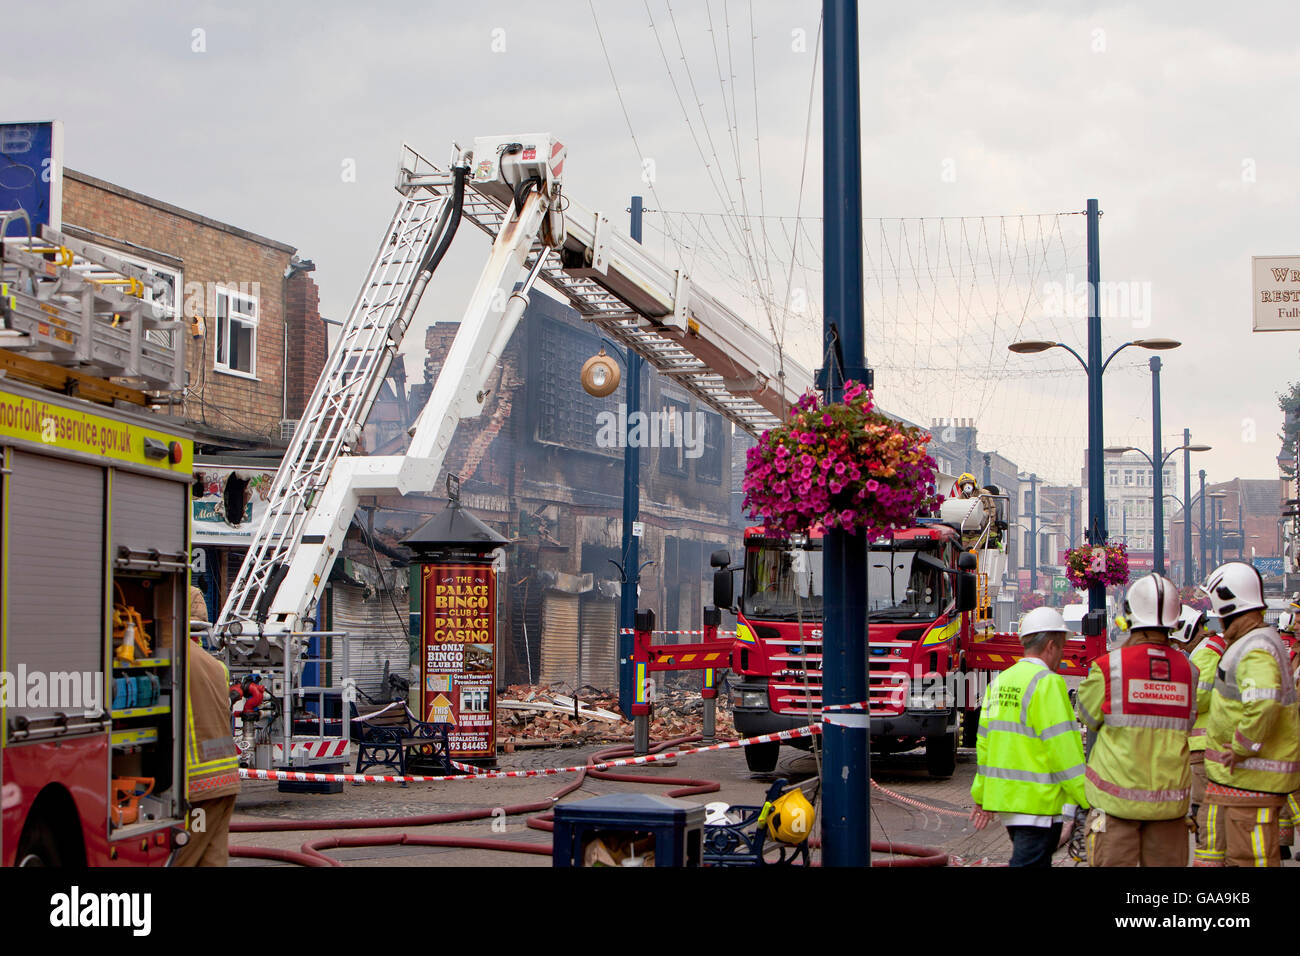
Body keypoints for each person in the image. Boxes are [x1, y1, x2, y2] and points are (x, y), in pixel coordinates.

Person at [1076, 574, 1196, 866]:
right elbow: (1188, 722)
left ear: (1128, 616)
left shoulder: (1108, 667)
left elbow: (1088, 717)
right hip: (1169, 811)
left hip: (1115, 810)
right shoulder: (1189, 671)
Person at [970, 606, 1088, 866]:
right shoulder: (1048, 683)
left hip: (1008, 806)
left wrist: (982, 796)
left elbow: (984, 745)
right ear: (1050, 646)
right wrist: (1087, 796)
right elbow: (1064, 750)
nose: (1062, 654)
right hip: (1039, 807)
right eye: (1062, 646)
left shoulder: (1000, 682)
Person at [1200, 561, 1300, 868]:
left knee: (1252, 859)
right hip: (1242, 782)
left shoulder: (1254, 646)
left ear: (1228, 602)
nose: (1216, 616)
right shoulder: (1254, 641)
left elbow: (1263, 701)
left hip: (1251, 781)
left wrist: (1243, 746)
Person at [172, 621, 241, 866]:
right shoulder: (216, 666)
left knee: (183, 857)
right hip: (225, 781)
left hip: (198, 787)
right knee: (212, 859)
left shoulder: (172, 659)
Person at [1174, 604, 1227, 866]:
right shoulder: (1212, 649)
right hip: (1210, 743)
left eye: (1178, 641)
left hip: (1202, 745)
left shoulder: (1204, 654)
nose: (1179, 647)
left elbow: (1199, 697)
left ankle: (1210, 858)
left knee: (1203, 808)